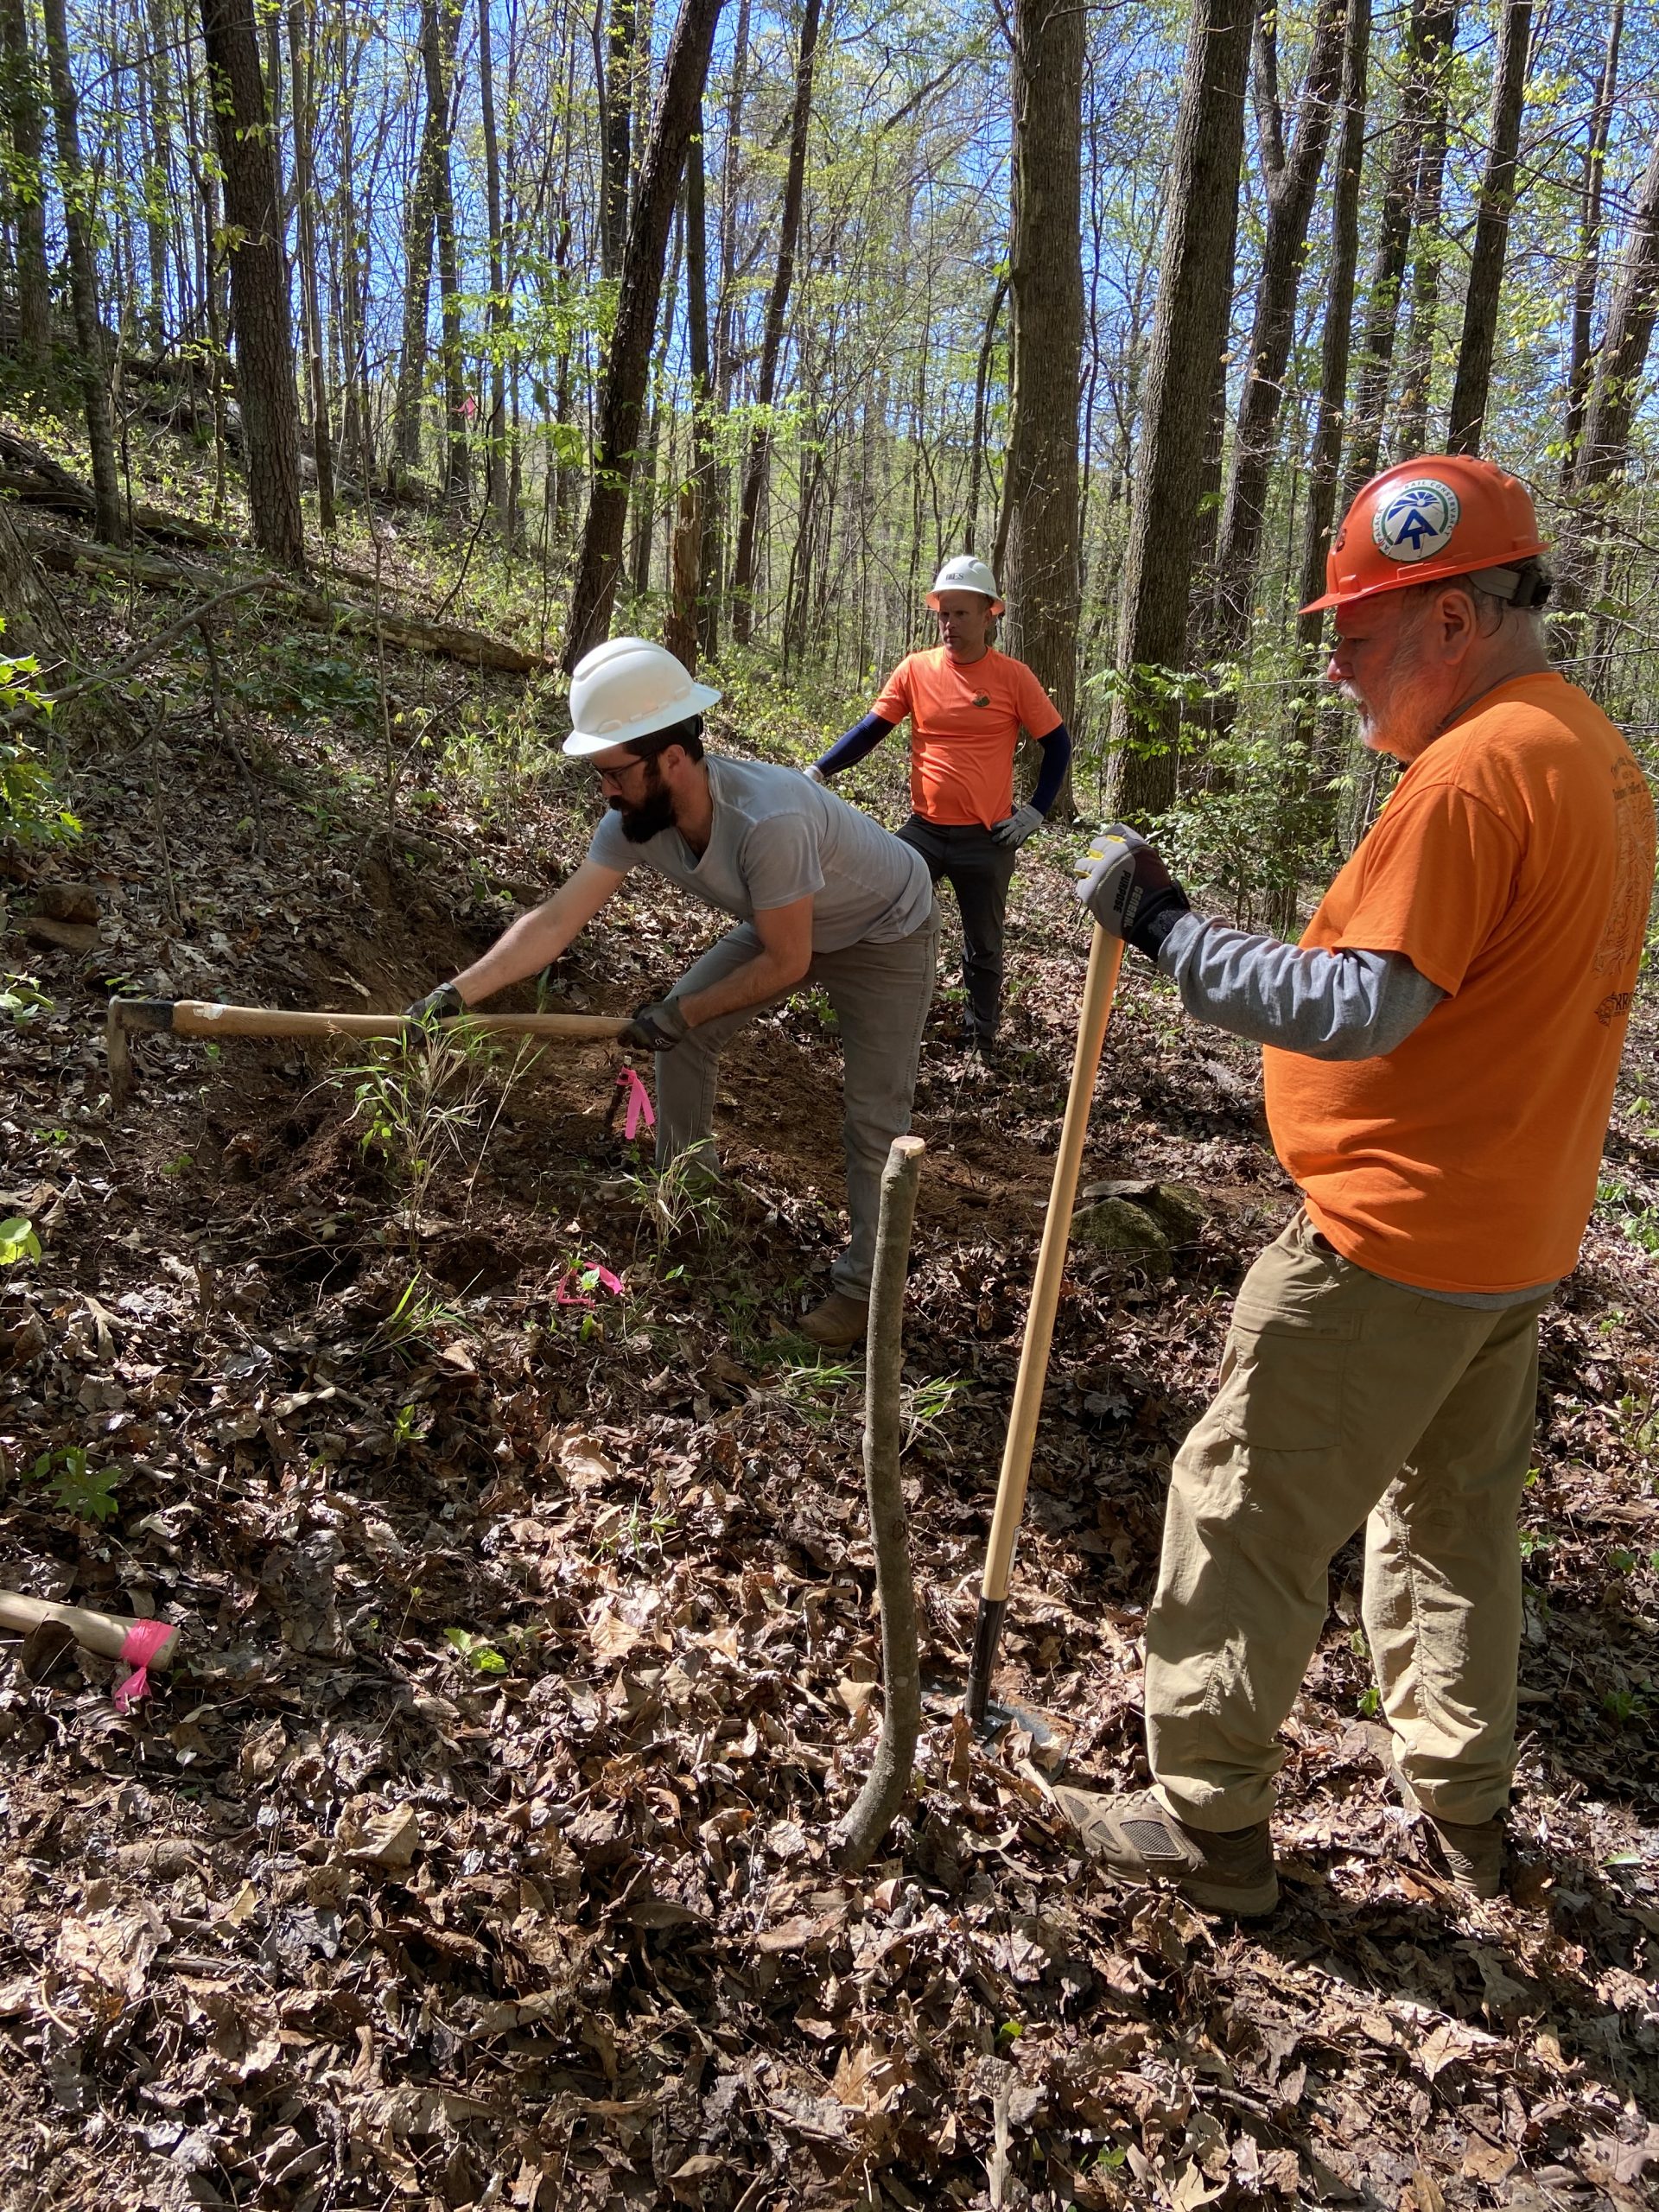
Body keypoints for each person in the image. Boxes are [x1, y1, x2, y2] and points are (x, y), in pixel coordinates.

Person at [1060, 455, 1655, 1914]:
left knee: (1244, 1500)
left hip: (1398, 1235)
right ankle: (1464, 1805)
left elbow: (1355, 1008)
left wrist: (1164, 926)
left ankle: (1208, 1826)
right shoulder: (1594, 752)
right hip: (1513, 1234)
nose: (1335, 669)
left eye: (1358, 633)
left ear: (1453, 618)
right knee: (1450, 1519)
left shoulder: (1477, 773)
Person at [407, 638, 940, 1351]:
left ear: (674, 758)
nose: (606, 790)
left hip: (886, 929)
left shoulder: (769, 819)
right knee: (680, 1040)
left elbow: (787, 962)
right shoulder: (634, 820)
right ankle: (685, 1198)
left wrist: (680, 1010)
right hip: (784, 917)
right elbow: (556, 920)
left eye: (615, 772)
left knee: (873, 1119)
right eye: (598, 774)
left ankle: (865, 1297)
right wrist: (457, 993)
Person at [807, 556, 1072, 1060]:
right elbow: (871, 731)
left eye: (961, 614)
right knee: (880, 918)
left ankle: (981, 1042)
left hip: (988, 838)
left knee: (984, 945)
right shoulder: (916, 669)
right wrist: (818, 772)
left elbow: (1058, 745)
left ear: (989, 613)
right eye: (943, 614)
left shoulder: (1013, 679)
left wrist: (1035, 812)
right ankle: (874, 1022)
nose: (949, 624)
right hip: (923, 833)